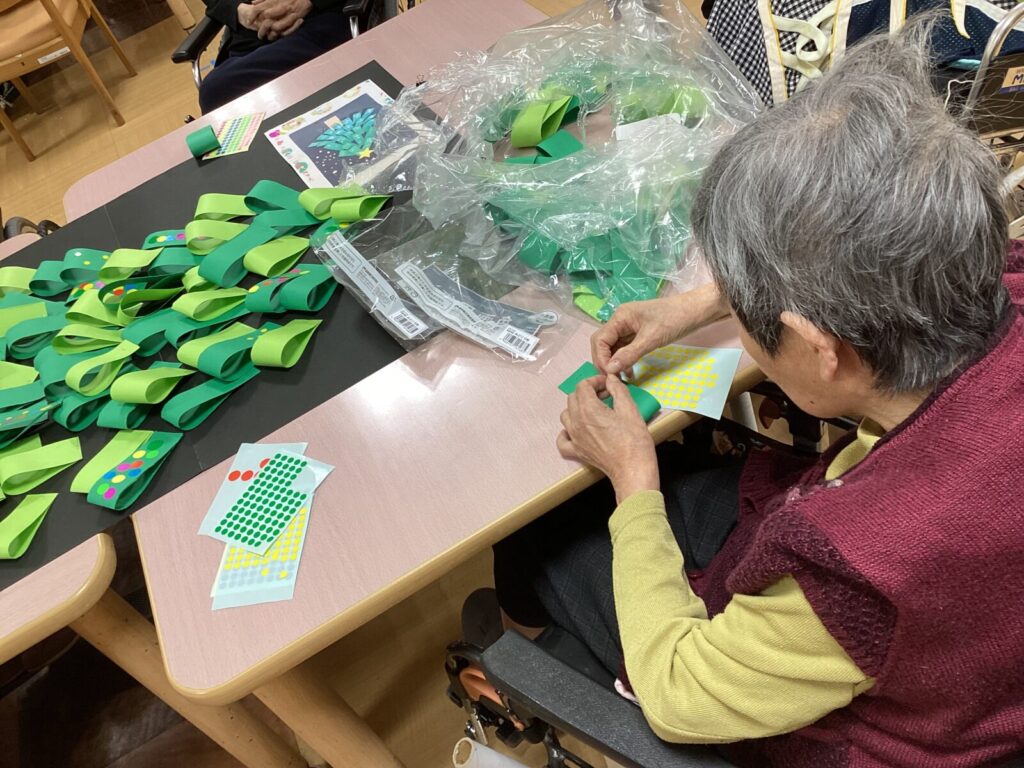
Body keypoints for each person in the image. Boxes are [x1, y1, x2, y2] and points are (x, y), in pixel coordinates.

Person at [487, 24, 1024, 768]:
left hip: (872, 720)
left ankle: (527, 671)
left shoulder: (859, 572)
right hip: (958, 618)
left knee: (533, 539)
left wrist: (634, 481)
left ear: (820, 349)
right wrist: (702, 304)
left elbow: (679, 694)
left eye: (748, 315)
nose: (740, 324)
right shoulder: (992, 275)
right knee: (683, 483)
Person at [199, 0, 354, 113]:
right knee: (219, 94)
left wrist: (304, 2)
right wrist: (239, 11)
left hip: (316, 21)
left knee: (217, 91)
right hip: (249, 39)